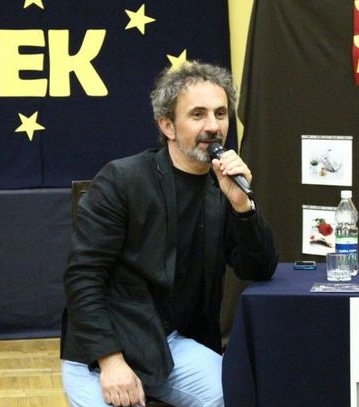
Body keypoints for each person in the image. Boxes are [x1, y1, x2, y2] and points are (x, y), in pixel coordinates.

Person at [60, 60, 278, 407]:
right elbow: (82, 276)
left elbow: (259, 268)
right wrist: (110, 361)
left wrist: (242, 206)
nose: (213, 126)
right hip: (103, 349)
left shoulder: (222, 187)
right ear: (168, 126)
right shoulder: (123, 180)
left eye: (221, 114)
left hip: (171, 344)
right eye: (198, 114)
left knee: (241, 396)